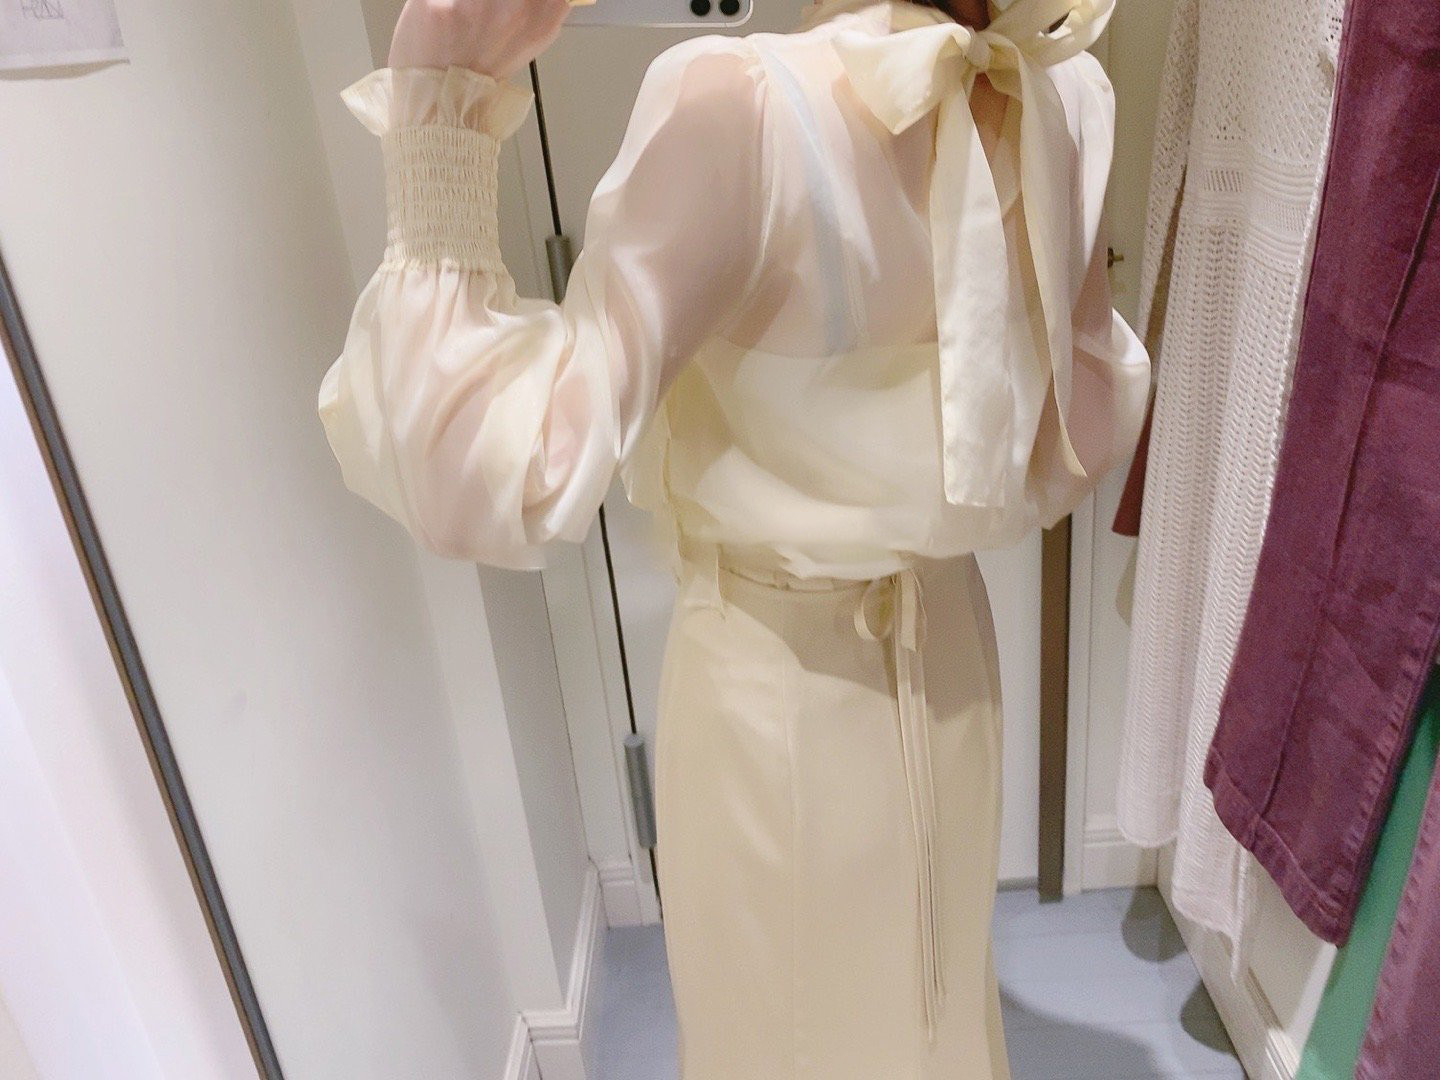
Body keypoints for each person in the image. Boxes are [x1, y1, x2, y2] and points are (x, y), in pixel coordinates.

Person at [318, 0, 1149, 1075]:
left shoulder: (739, 111)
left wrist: (442, 98)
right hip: (953, 654)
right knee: (934, 1003)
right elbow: (1079, 433)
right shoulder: (1065, 93)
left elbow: (479, 475)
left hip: (771, 694)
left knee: (783, 1034)